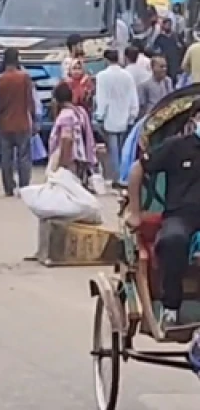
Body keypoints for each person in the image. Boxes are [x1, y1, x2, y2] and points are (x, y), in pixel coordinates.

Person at [126, 112, 200, 329]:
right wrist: (134, 211)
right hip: (181, 215)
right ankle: (171, 309)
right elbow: (138, 168)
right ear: (195, 120)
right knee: (172, 240)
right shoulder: (177, 146)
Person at [0, 48, 36, 195]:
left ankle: (8, 188)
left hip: (5, 124)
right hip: (22, 122)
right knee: (24, 157)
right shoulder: (24, 78)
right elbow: (30, 101)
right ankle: (24, 187)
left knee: (6, 158)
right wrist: (34, 119)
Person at [95, 48, 140, 183]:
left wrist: (100, 116)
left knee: (113, 151)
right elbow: (133, 96)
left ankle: (117, 178)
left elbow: (102, 98)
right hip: (126, 117)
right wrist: (133, 114)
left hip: (110, 118)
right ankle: (124, 176)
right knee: (125, 150)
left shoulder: (102, 76)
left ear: (106, 60)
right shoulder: (127, 75)